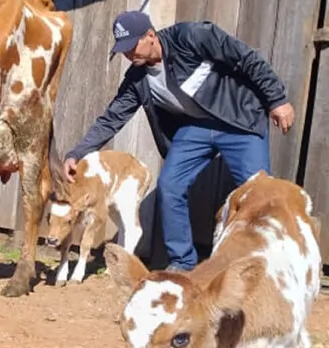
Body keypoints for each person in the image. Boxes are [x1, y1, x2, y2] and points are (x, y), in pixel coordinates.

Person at [61, 10, 295, 272]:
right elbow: (111, 118)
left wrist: (277, 99)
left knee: (260, 192)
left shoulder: (191, 37)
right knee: (170, 185)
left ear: (151, 36)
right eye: (123, 50)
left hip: (238, 118)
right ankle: (182, 263)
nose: (129, 55)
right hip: (195, 127)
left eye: (132, 46)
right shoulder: (137, 79)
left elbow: (246, 58)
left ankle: (266, 264)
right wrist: (78, 152)